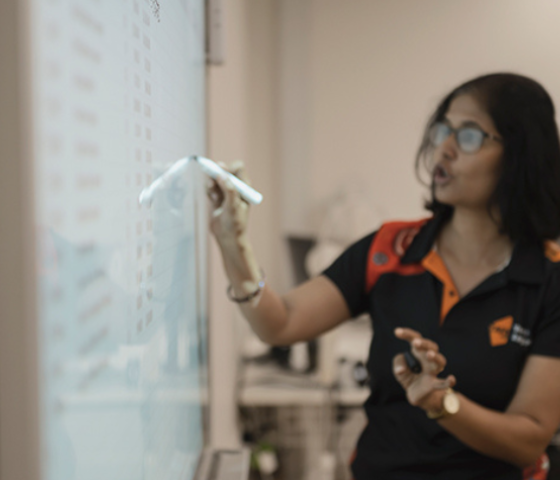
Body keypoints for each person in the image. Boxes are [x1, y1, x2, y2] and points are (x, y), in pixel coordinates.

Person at [207, 73, 560, 480]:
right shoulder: (390, 249)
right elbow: (281, 321)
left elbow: (530, 437)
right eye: (442, 130)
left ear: (519, 155)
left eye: (468, 136)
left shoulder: (548, 278)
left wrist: (442, 403)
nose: (443, 149)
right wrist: (234, 246)